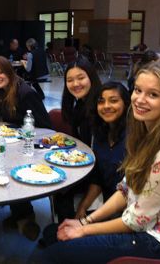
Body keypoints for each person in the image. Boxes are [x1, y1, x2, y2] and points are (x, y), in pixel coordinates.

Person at [44, 62, 160, 263]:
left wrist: (84, 229)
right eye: (138, 90)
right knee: (53, 233)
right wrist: (85, 220)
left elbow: (136, 221)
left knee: (51, 255)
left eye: (153, 94)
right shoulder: (144, 137)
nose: (140, 99)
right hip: (138, 223)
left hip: (159, 241)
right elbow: (126, 189)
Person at [0, 56, 52, 241]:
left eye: (0, 72)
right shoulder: (1, 91)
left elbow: (45, 126)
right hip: (16, 143)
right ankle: (18, 213)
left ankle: (24, 216)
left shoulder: (25, 93)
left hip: (34, 144)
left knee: (11, 166)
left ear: (9, 71)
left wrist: (18, 133)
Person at [53, 56, 102, 223]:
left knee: (61, 188)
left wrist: (83, 205)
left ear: (91, 77)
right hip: (85, 166)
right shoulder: (79, 104)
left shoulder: (99, 108)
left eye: (81, 78)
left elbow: (102, 159)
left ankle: (68, 233)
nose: (75, 84)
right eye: (70, 80)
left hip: (98, 173)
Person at [75, 81, 130, 219]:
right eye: (101, 101)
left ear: (126, 103)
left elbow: (129, 192)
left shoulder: (133, 137)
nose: (106, 106)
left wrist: (89, 221)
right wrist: (82, 208)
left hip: (128, 211)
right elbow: (98, 179)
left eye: (113, 101)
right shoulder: (100, 134)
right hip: (107, 205)